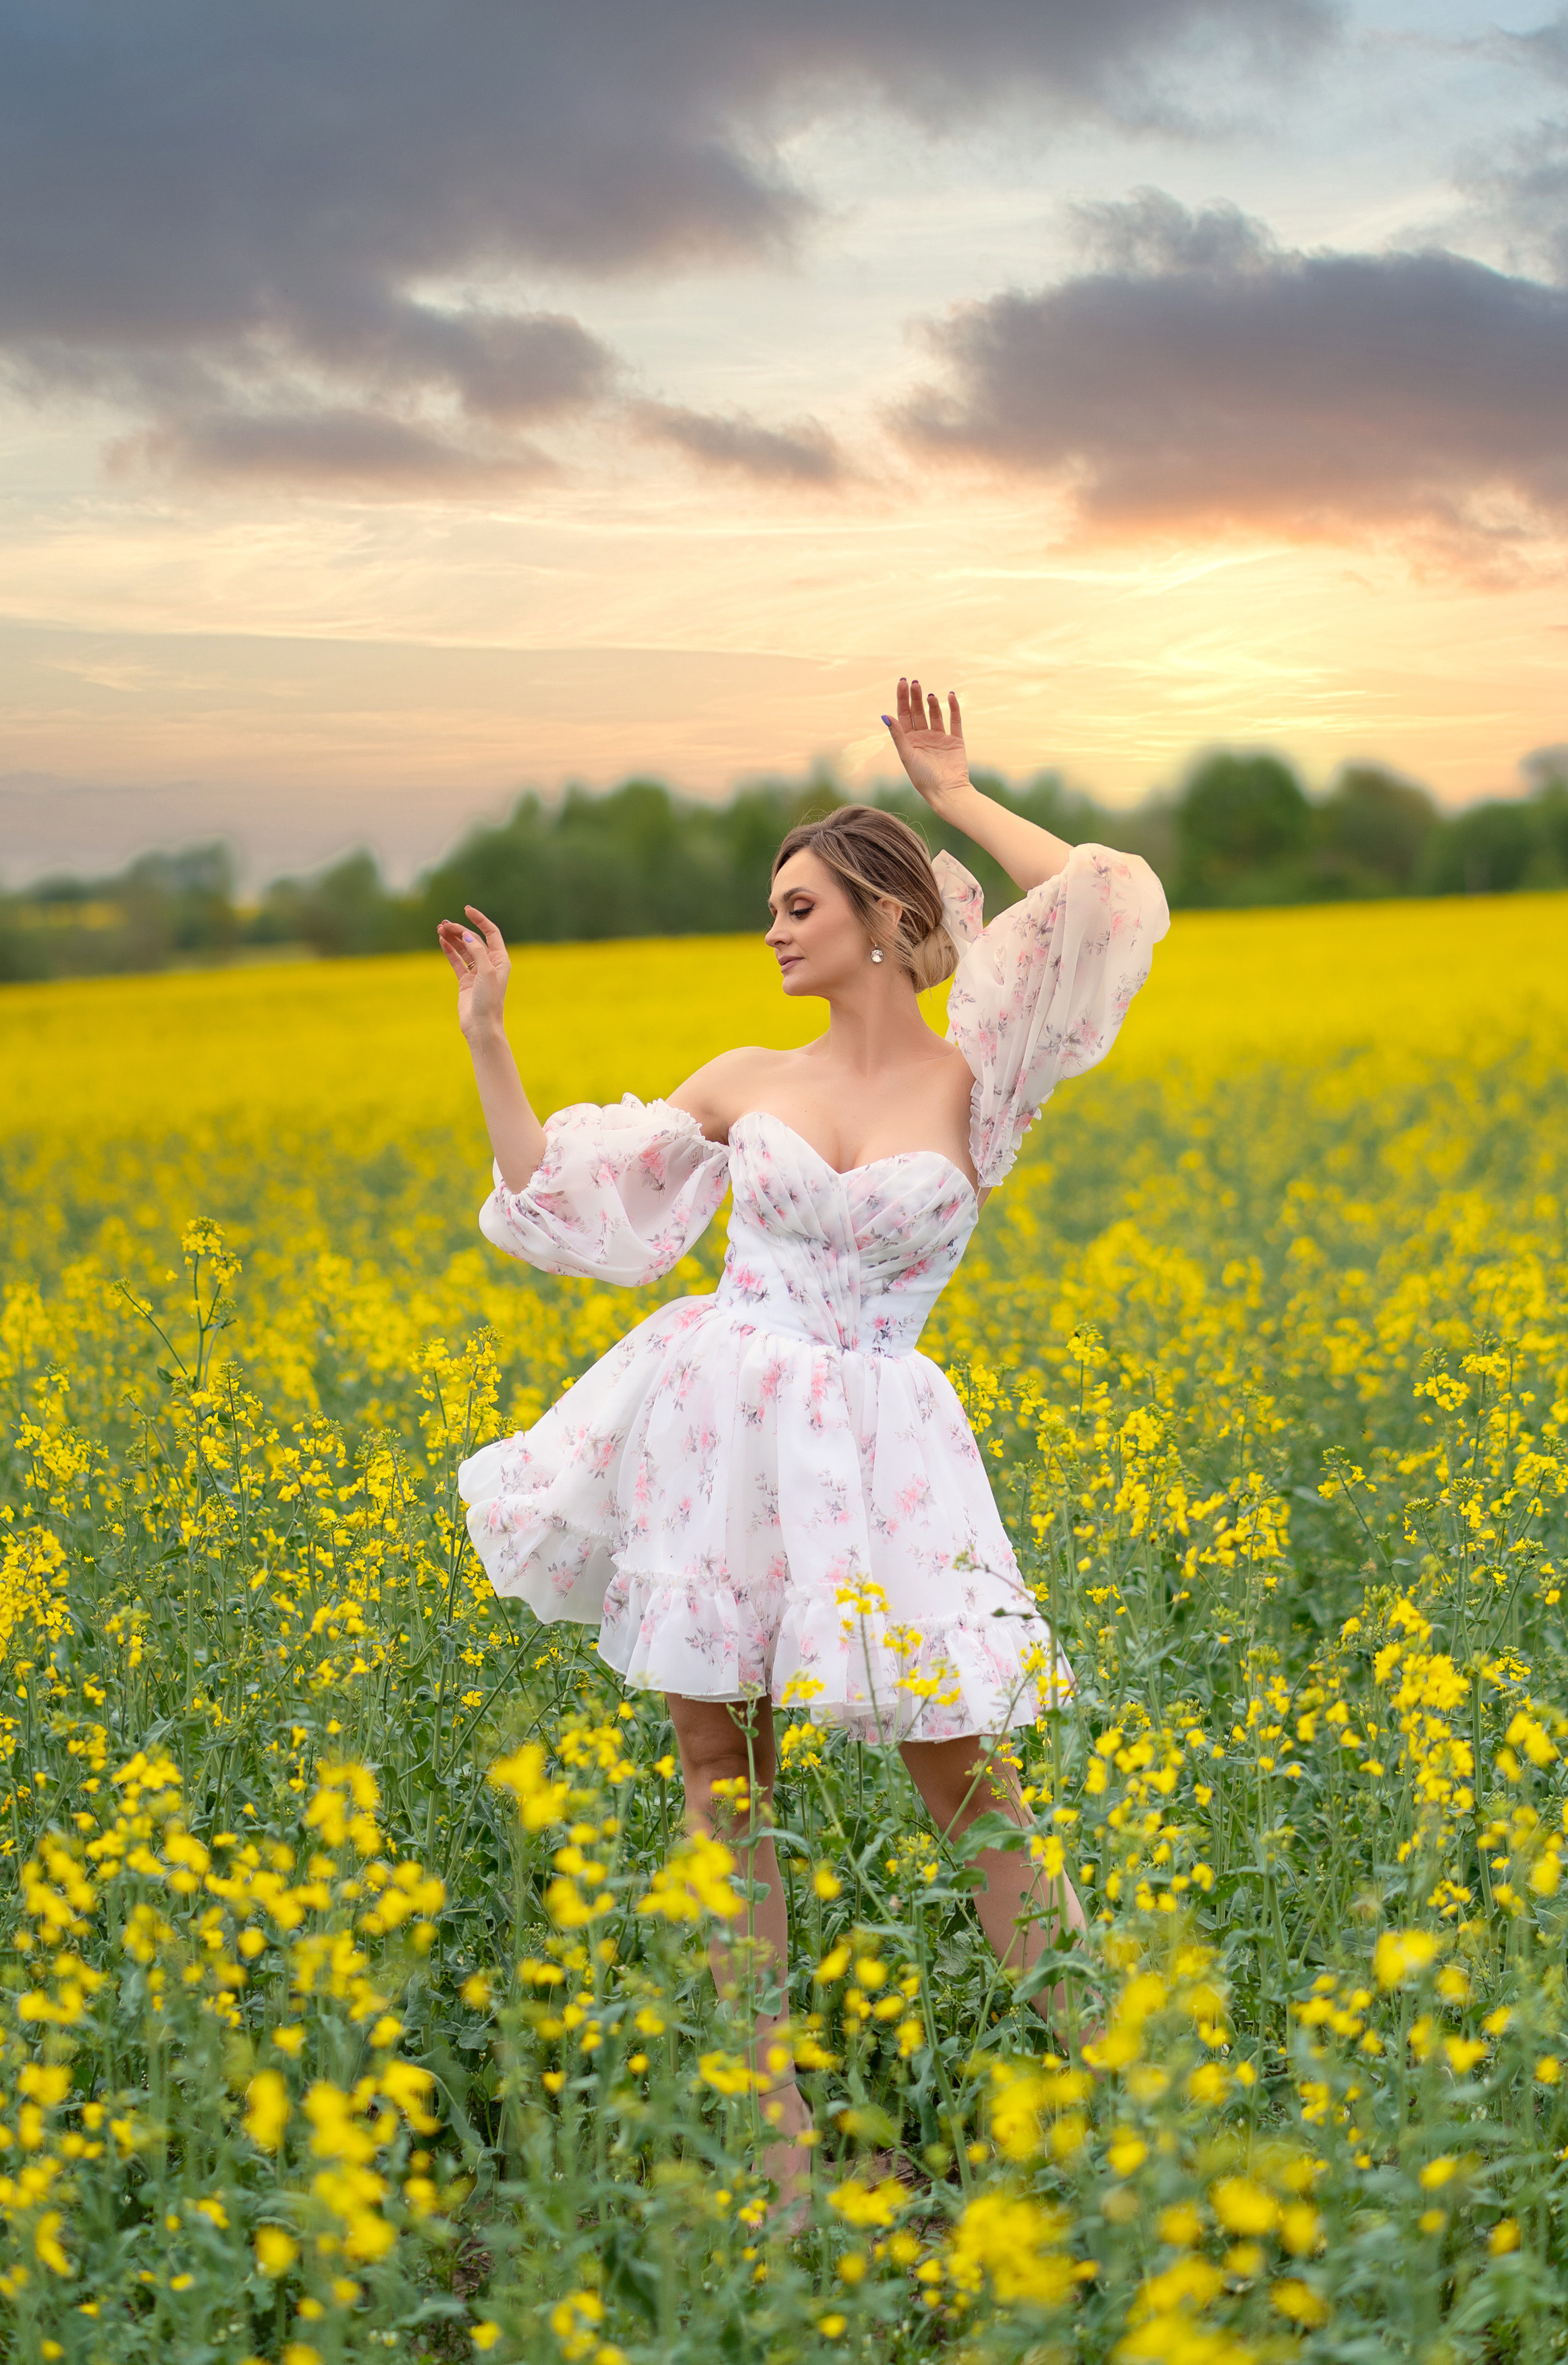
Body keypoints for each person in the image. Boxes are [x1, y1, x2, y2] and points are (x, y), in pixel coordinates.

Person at [438, 678, 1169, 2209]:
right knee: (723, 1769)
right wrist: (489, 1038)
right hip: (718, 1425)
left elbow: (1095, 902)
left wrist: (957, 795)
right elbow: (565, 1209)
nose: (769, 932)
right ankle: (772, 2152)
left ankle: (1117, 2104)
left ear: (885, 915)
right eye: (767, 908)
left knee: (962, 1772)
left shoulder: (979, 1084)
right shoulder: (739, 1081)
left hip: (883, 1450)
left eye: (795, 905)